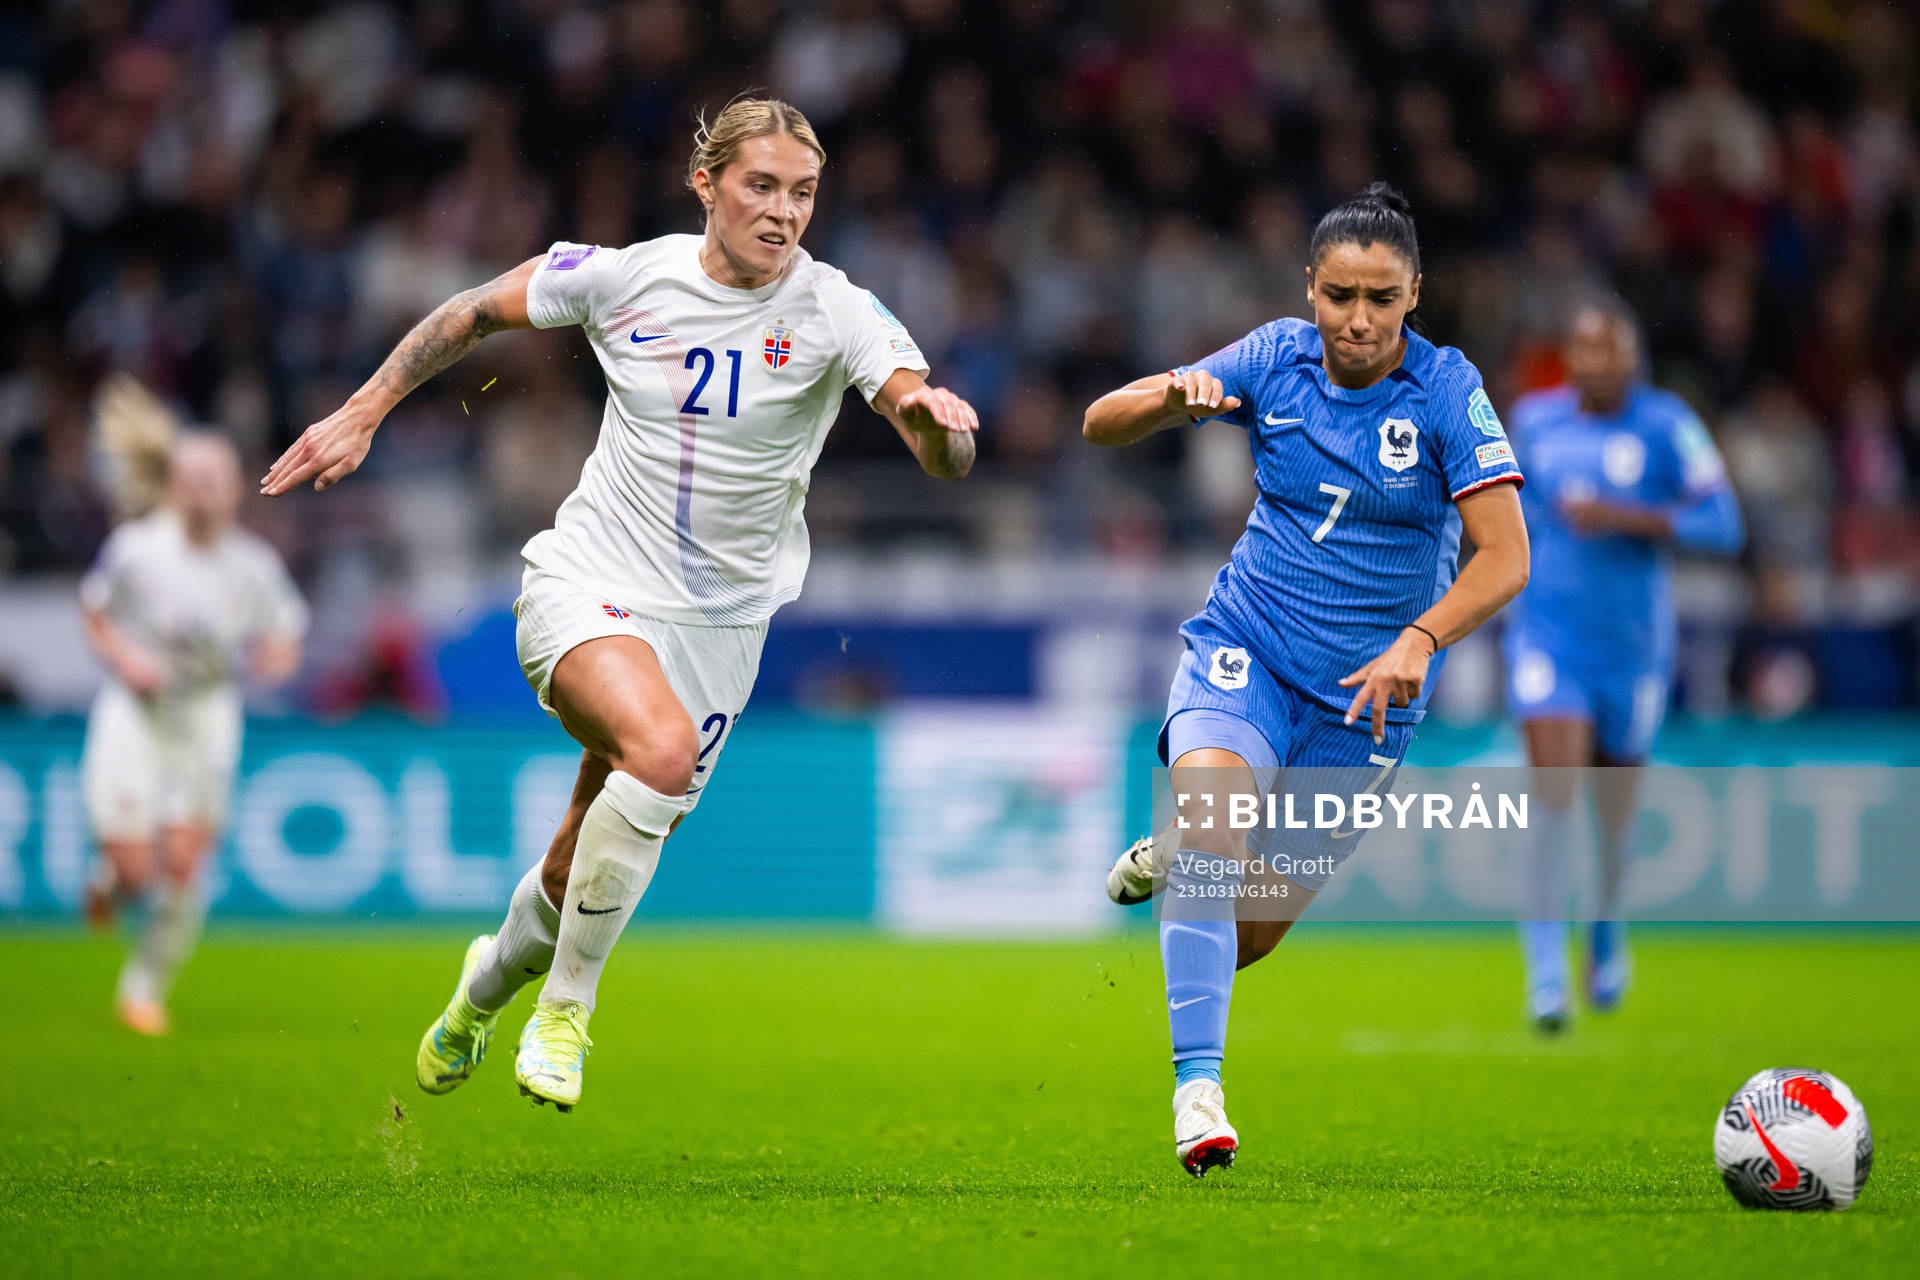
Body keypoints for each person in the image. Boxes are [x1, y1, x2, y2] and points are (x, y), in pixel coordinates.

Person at [260, 97, 978, 1111]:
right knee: (660, 751)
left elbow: (924, 425)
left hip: (721, 630)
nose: (784, 213)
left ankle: (476, 994)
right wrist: (364, 408)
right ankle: (567, 1010)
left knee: (580, 860)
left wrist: (943, 430)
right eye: (761, 186)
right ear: (707, 184)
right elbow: (471, 309)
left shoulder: (835, 308)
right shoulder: (621, 276)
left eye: (803, 193)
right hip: (588, 580)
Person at [1084, 184, 1529, 1177]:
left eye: (1380, 297)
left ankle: (1186, 849)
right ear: (1310, 290)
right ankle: (1198, 1088)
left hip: (1365, 700)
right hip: (1247, 648)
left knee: (1244, 937)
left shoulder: (1448, 392)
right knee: (1214, 829)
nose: (1358, 320)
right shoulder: (1271, 356)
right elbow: (1096, 423)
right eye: (1338, 296)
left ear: (1416, 291)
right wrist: (1166, 395)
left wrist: (1421, 636)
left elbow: (1505, 557)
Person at [1504, 301, 1743, 1031]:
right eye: (1582, 349)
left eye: (1607, 350)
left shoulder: (1667, 425)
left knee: (1613, 817)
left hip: (1633, 650)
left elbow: (1724, 523)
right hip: (1549, 638)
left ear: (1631, 357)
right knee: (1552, 795)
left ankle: (1605, 926)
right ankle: (1545, 973)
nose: (1593, 363)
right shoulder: (1534, 421)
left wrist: (1626, 516)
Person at [81, 375, 308, 1036]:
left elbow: (287, 634)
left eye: (218, 478)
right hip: (136, 716)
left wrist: (275, 659)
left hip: (207, 716)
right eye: (195, 478)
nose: (206, 489)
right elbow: (94, 615)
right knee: (132, 870)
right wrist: (127, 660)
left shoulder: (252, 565)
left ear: (236, 488)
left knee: (183, 865)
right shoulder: (137, 550)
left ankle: (144, 986)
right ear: (177, 485)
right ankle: (106, 877)